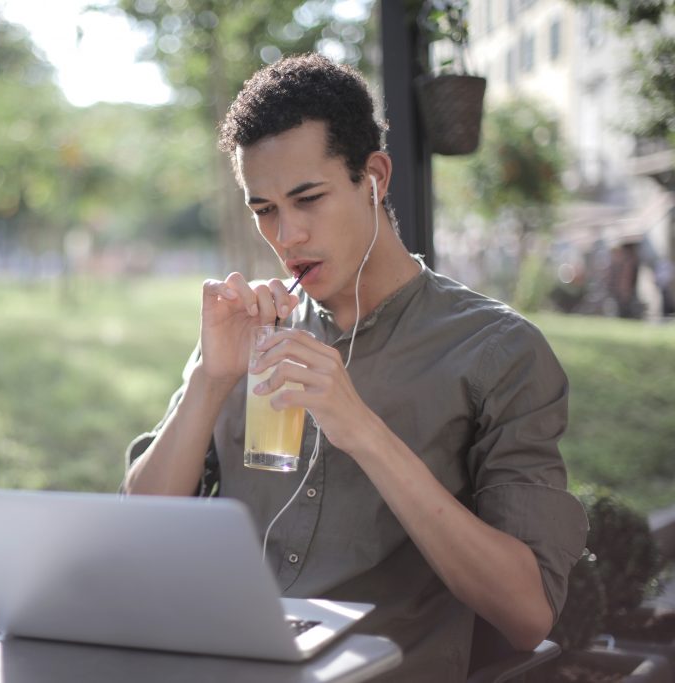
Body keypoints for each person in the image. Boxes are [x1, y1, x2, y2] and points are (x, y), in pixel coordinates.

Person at [122, 53, 587, 681]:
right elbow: (138, 533)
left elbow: (528, 614)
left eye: (307, 198)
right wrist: (209, 381)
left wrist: (362, 430)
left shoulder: (498, 352)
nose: (285, 236)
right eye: (264, 210)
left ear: (374, 178)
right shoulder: (251, 336)